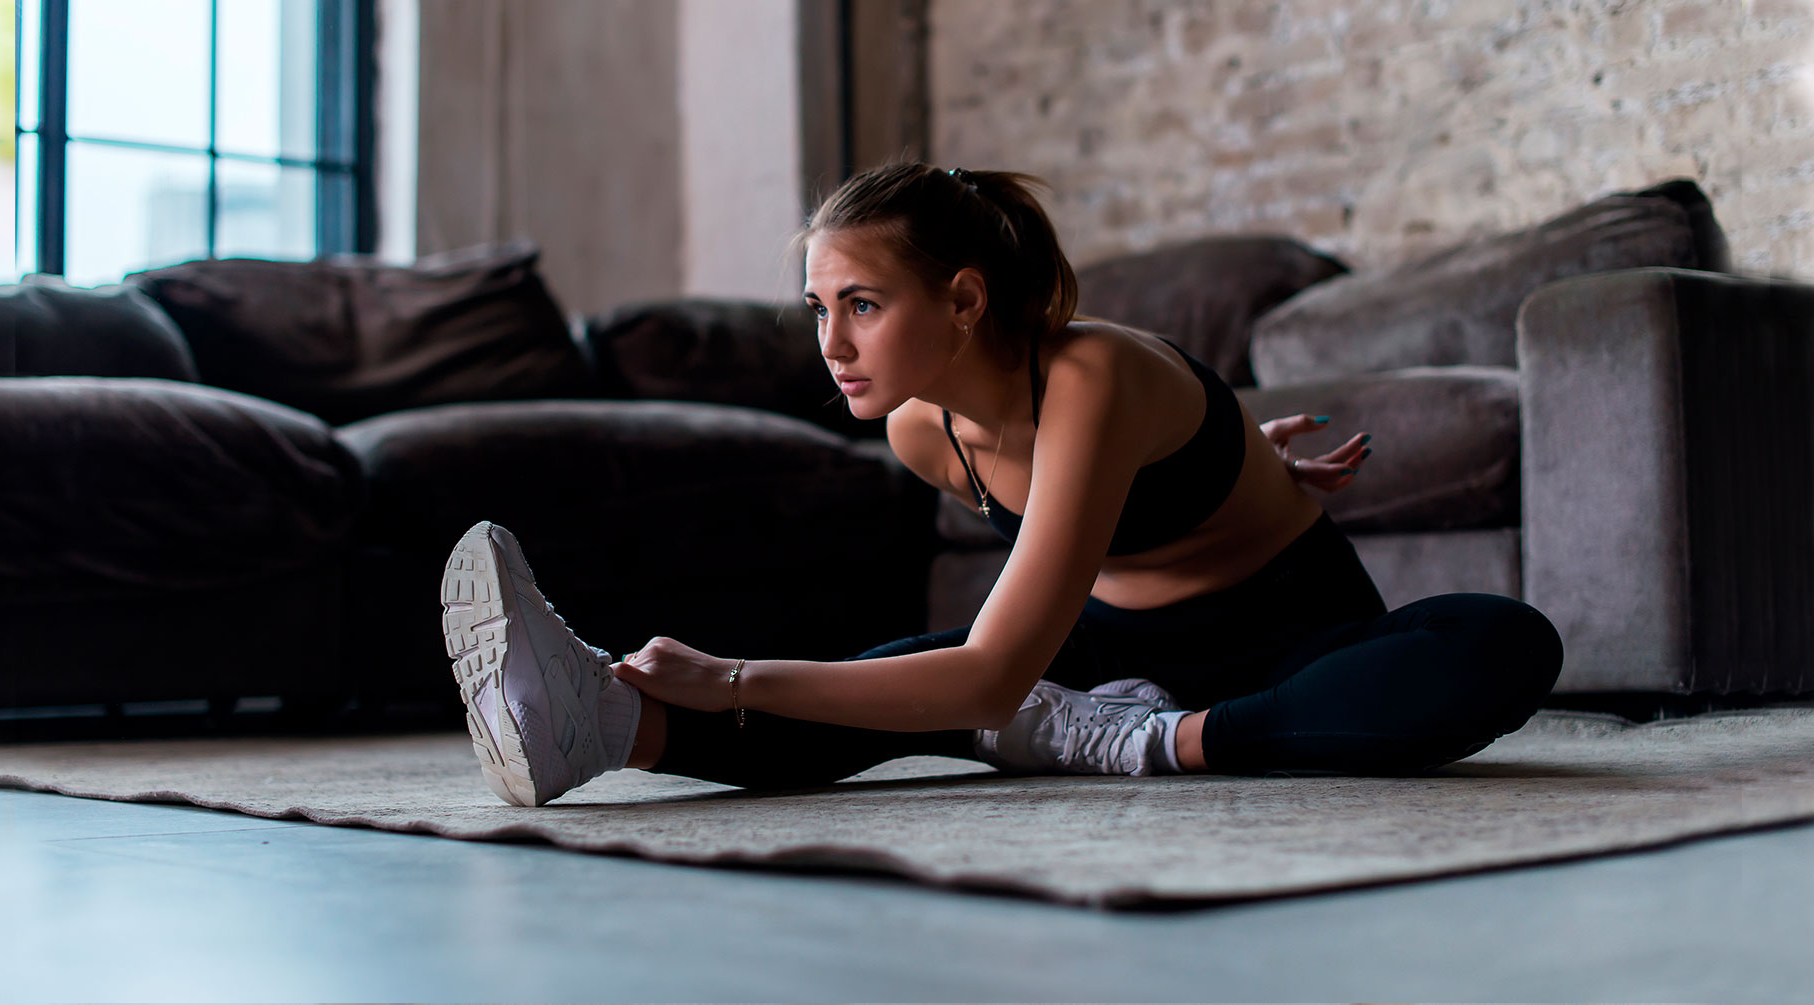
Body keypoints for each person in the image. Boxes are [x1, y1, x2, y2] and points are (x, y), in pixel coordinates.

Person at [438, 162, 1565, 808]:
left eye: (863, 305)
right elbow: (979, 670)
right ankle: (600, 720)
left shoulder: (1096, 373)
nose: (832, 344)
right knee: (884, 681)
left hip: (1286, 645)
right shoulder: (923, 435)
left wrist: (727, 669)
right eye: (817, 310)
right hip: (1104, 658)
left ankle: (1154, 743)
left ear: (967, 302)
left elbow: (988, 680)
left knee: (1501, 643)